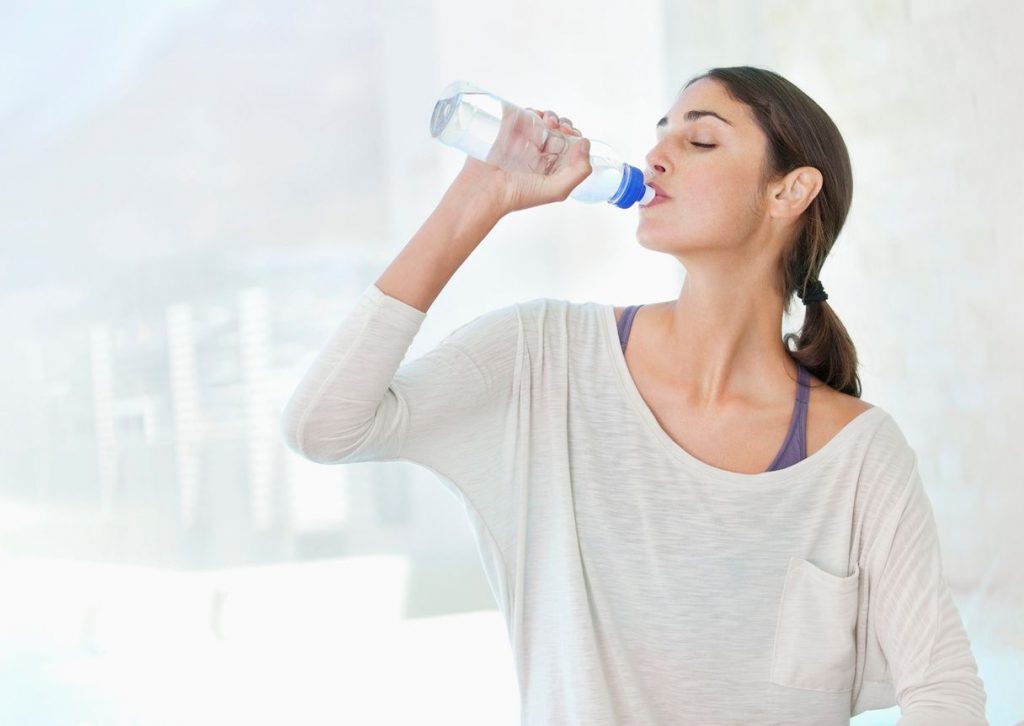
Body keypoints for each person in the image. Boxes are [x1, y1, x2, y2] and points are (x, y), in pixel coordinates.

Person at [279, 66, 988, 724]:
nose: (657, 156)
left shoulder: (858, 456)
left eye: (700, 138)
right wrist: (478, 199)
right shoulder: (543, 358)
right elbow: (325, 426)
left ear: (789, 192)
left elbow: (943, 688)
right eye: (659, 135)